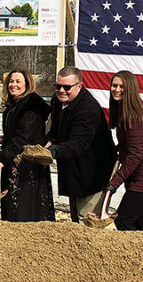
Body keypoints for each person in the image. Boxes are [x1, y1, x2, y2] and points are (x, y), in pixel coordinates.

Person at [44, 66, 116, 224]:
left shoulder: (88, 109)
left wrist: (52, 151)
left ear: (79, 86)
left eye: (67, 87)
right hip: (73, 171)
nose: (61, 90)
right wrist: (45, 142)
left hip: (93, 173)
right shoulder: (58, 101)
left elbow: (78, 143)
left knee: (87, 221)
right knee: (76, 220)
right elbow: (55, 130)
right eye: (58, 86)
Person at [0, 69, 55, 222]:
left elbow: (25, 137)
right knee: (11, 207)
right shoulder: (14, 104)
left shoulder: (32, 105)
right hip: (14, 162)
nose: (13, 85)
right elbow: (19, 131)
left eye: (18, 81)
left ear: (27, 84)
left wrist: (2, 157)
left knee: (23, 210)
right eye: (11, 81)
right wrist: (6, 138)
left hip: (28, 166)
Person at [105, 70, 143, 231]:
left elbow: (137, 153)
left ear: (131, 89)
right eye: (114, 85)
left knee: (124, 222)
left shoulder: (133, 117)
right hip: (136, 180)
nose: (117, 89)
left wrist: (114, 184)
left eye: (122, 86)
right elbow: (126, 146)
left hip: (140, 182)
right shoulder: (124, 112)